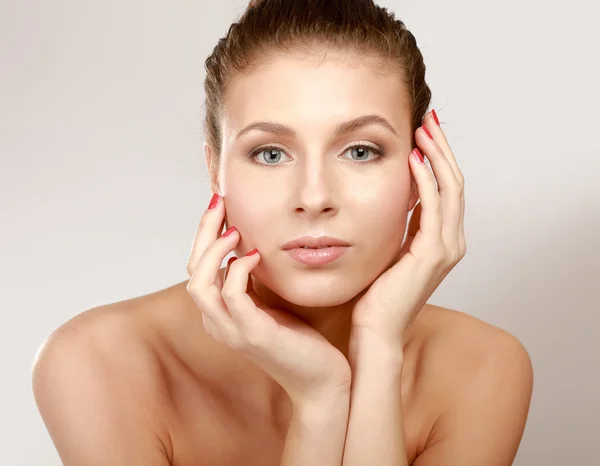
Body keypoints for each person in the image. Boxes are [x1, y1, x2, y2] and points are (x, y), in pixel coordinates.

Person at [31, 0, 534, 464]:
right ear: (216, 171)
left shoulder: (484, 369)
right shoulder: (98, 364)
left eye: (361, 151)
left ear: (421, 167)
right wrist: (319, 402)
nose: (314, 197)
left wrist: (378, 348)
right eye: (270, 153)